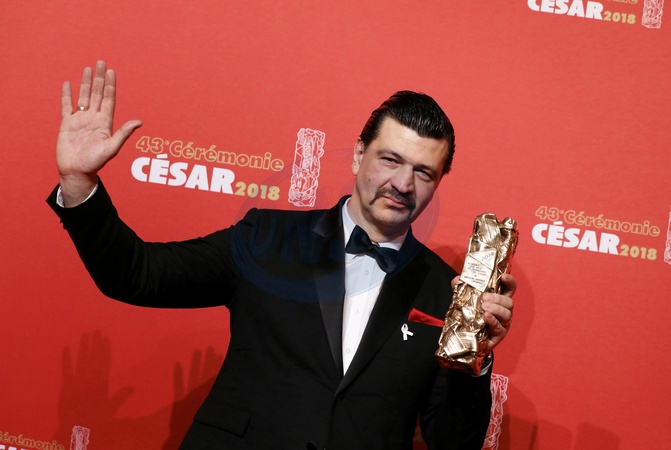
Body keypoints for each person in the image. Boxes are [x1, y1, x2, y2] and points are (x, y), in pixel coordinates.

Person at [48, 61, 516, 450]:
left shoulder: (446, 292)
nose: (403, 184)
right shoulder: (267, 237)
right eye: (390, 160)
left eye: (424, 172)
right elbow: (137, 274)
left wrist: (476, 357)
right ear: (358, 155)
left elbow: (452, 441)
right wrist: (78, 183)